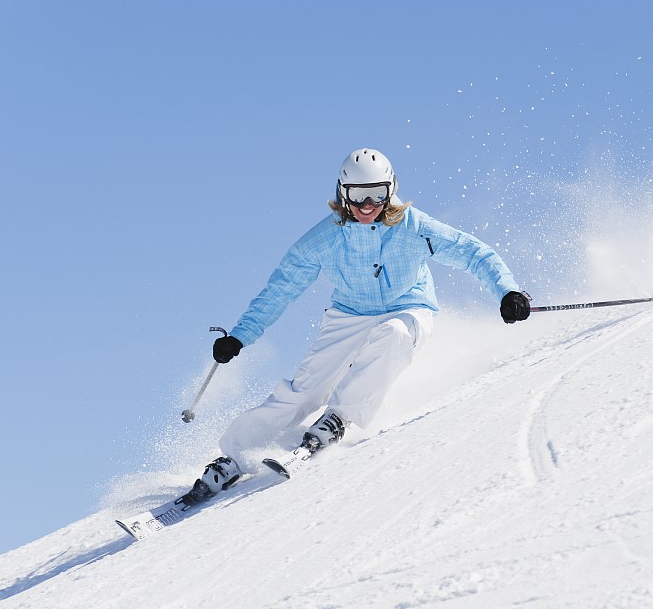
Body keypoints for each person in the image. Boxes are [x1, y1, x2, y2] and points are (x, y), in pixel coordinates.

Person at [181, 148, 531, 504]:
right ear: (342, 194)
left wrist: (508, 291)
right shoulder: (326, 239)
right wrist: (241, 335)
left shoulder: (414, 227)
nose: (367, 204)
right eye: (357, 195)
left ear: (391, 190)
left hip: (409, 307)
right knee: (305, 389)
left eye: (377, 194)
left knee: (393, 335)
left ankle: (338, 419)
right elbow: (282, 287)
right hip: (349, 313)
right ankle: (235, 456)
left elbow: (473, 252)